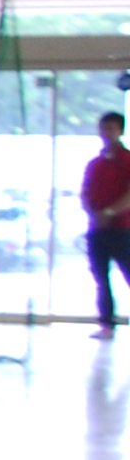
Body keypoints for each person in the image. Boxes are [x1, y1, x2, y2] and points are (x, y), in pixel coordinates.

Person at [89, 112, 130, 333]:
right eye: (103, 128)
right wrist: (94, 214)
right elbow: (86, 192)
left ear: (120, 131)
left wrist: (110, 212)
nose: (106, 133)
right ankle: (106, 323)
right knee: (101, 278)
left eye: (111, 129)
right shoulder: (96, 163)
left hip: (123, 229)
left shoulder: (127, 160)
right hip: (97, 230)